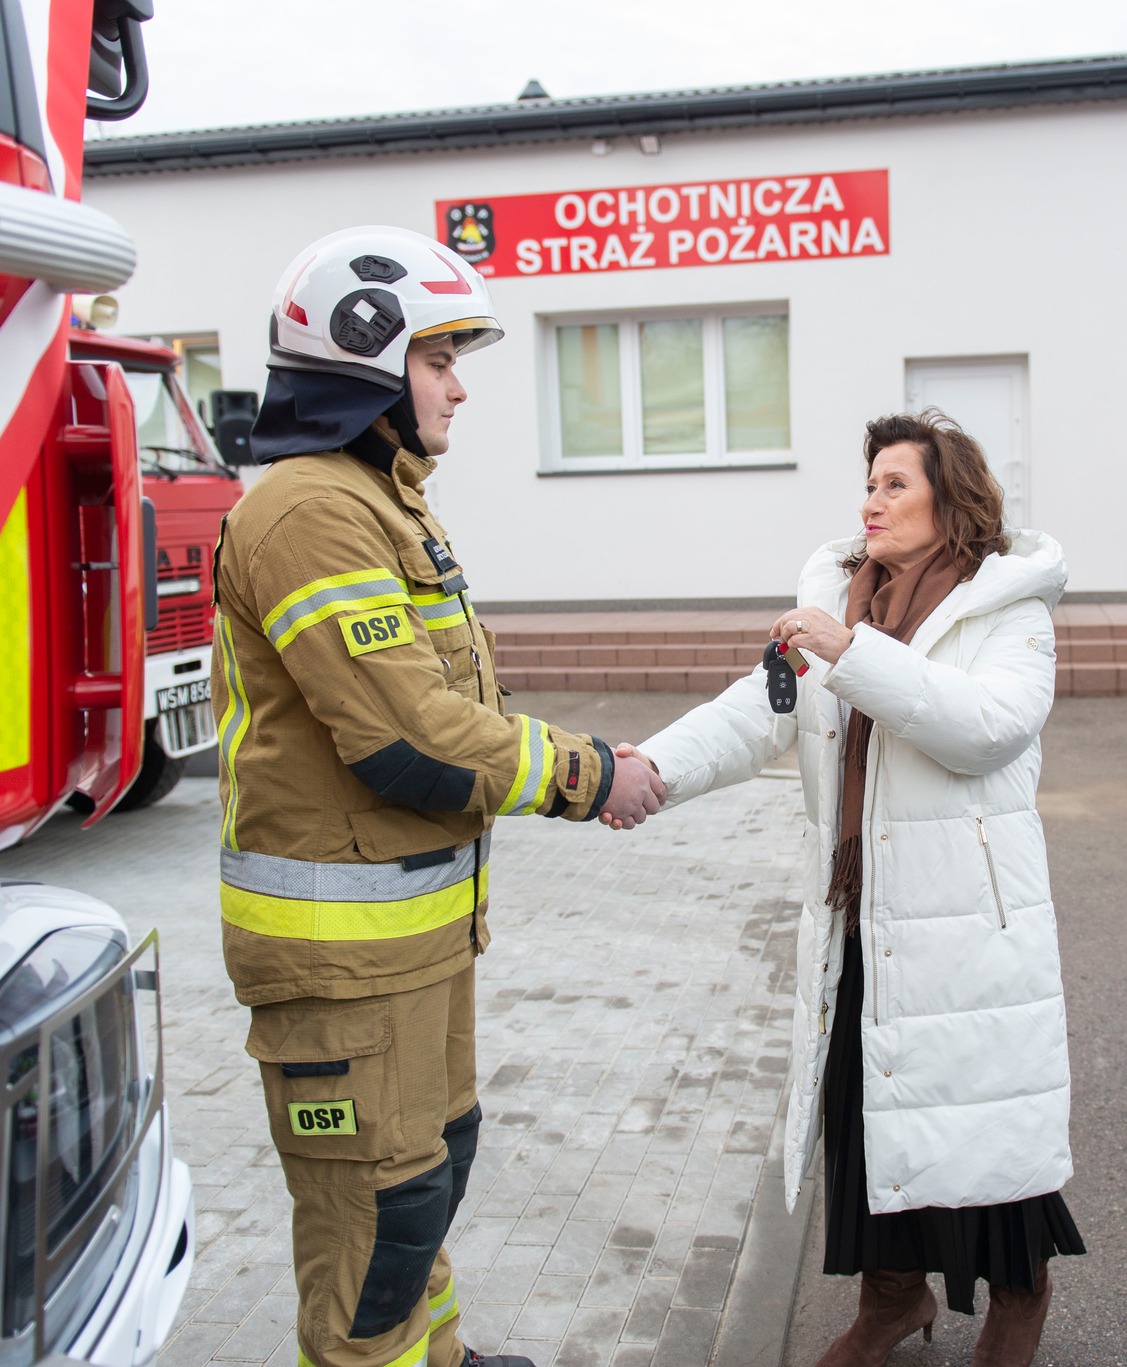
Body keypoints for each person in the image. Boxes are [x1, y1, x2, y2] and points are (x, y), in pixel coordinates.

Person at [209, 226, 665, 1367]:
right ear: (364, 364)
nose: (459, 386)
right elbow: (408, 737)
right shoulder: (311, 511)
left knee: (427, 1172)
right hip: (337, 958)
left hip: (409, 941)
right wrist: (589, 771)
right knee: (375, 1224)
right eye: (438, 357)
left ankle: (441, 1358)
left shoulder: (382, 499)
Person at [633, 412, 1082, 1367]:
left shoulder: (1010, 608)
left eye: (894, 484)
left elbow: (986, 728)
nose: (870, 501)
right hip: (858, 914)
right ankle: (892, 1299)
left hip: (966, 917)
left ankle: (1020, 1296)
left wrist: (853, 650)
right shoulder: (841, 598)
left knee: (981, 1116)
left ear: (948, 499)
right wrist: (648, 770)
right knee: (862, 1108)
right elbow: (759, 714)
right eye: (868, 483)